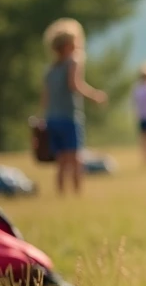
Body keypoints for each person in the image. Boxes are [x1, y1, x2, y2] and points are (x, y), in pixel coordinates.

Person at [40, 18, 107, 196]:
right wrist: (95, 96)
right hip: (69, 117)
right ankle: (77, 194)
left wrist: (43, 117)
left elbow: (45, 97)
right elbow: (75, 84)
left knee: (61, 160)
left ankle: (61, 194)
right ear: (70, 44)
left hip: (52, 118)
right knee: (76, 158)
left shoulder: (50, 68)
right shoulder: (74, 62)